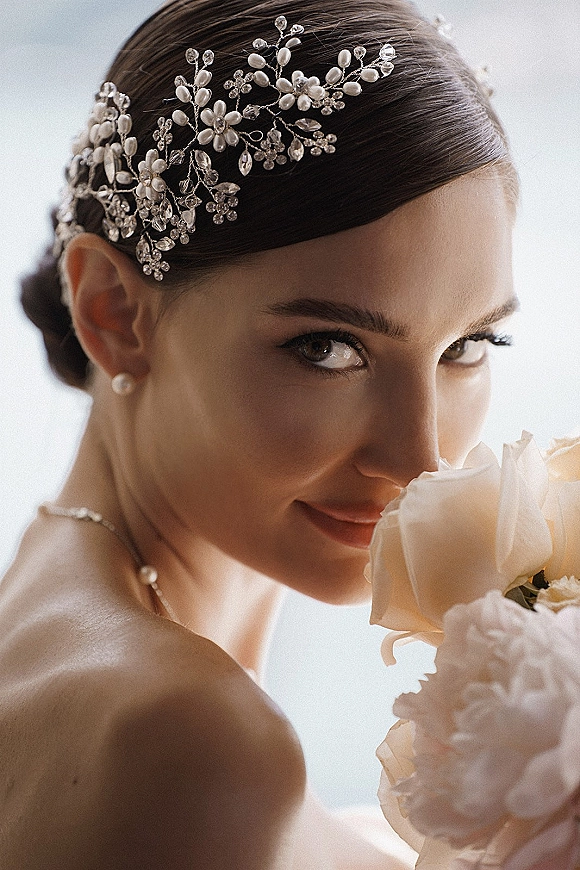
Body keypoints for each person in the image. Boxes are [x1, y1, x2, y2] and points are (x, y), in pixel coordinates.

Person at [2, 0, 519, 866]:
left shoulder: (55, 612)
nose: (421, 462)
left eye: (468, 345)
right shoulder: (189, 745)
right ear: (113, 311)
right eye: (328, 348)